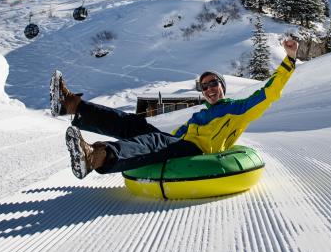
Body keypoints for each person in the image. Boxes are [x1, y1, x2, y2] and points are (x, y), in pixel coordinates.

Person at [59, 38, 300, 179]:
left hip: (197, 150)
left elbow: (269, 92)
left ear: (222, 86)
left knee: (154, 141)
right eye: (204, 86)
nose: (209, 89)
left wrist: (289, 60)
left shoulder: (238, 109)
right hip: (177, 142)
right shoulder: (200, 114)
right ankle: (72, 105)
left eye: (213, 83)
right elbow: (173, 138)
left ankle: (94, 156)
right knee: (135, 124)